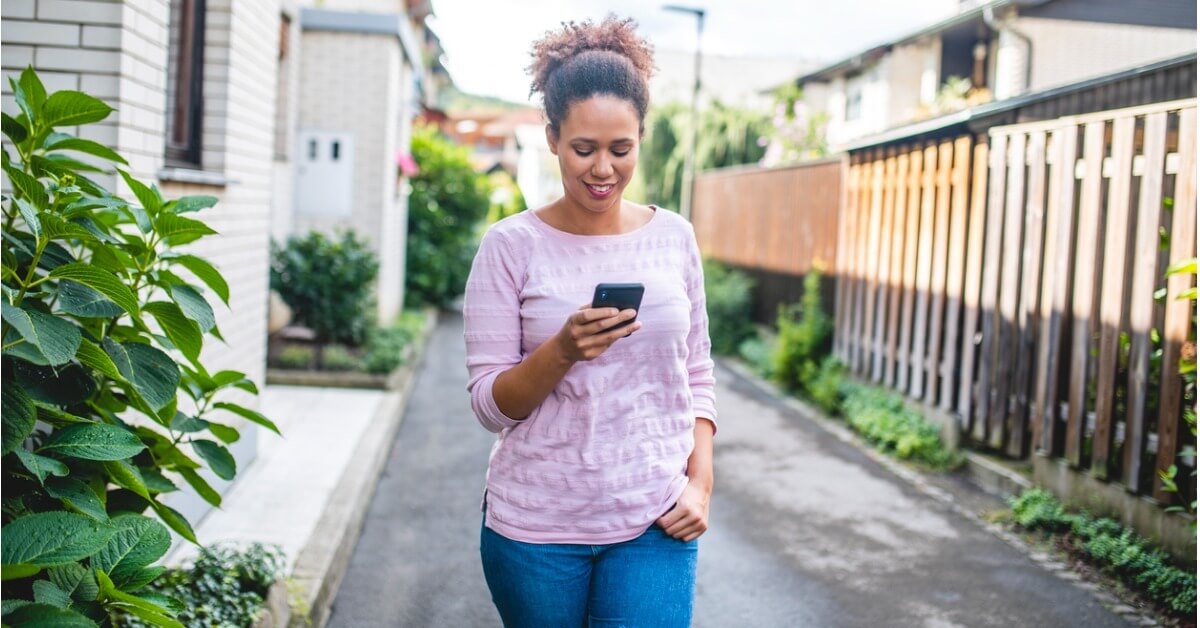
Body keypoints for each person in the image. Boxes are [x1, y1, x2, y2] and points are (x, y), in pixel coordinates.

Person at [462, 15, 717, 628]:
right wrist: (563, 350)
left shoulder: (674, 238)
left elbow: (697, 371)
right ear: (552, 138)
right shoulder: (509, 247)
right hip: (535, 528)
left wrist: (700, 483)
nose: (602, 169)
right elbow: (490, 406)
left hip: (655, 516)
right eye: (584, 149)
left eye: (620, 149)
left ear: (640, 138)